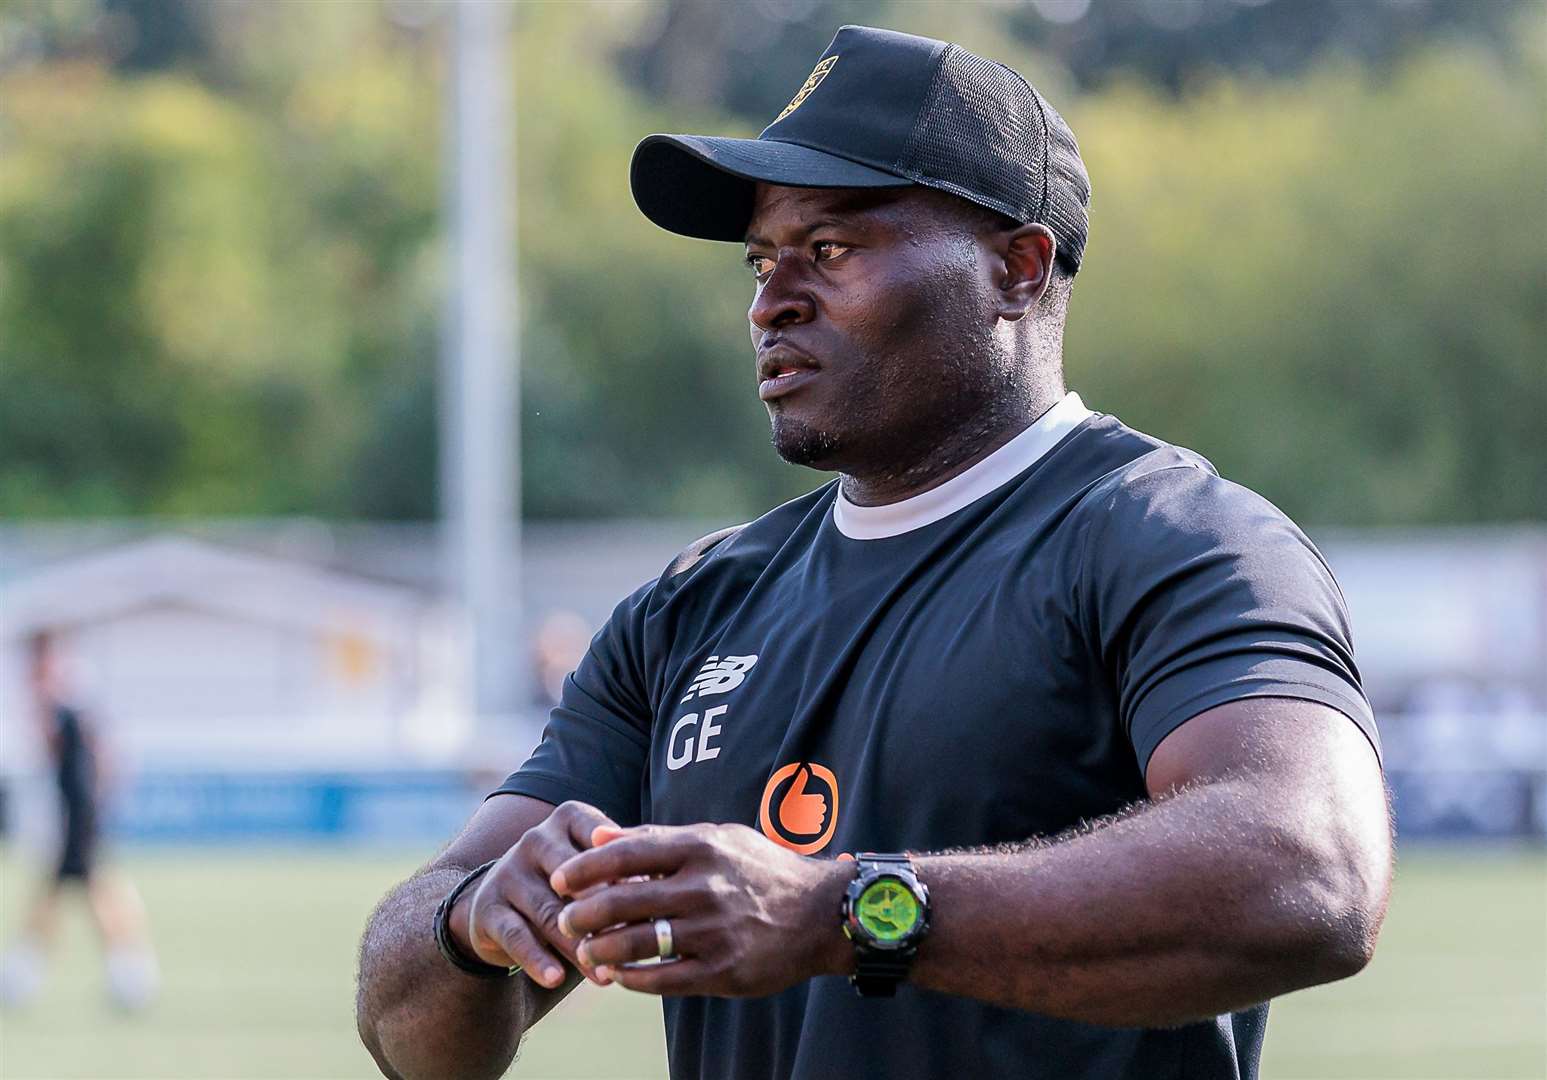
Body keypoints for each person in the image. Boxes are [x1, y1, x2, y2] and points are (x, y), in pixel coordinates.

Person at [357, 25, 1392, 1080]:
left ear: (1017, 269)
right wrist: (473, 922)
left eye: (833, 249)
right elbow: (411, 1040)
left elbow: (1310, 873)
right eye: (762, 259)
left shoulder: (1171, 538)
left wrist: (844, 911)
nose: (770, 302)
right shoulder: (690, 608)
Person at [0, 631, 159, 1011]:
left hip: (77, 815)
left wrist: (94, 805)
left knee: (87, 888)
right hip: (68, 815)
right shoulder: (55, 705)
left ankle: (127, 971)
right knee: (76, 888)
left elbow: (102, 760)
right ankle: (124, 970)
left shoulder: (70, 706)